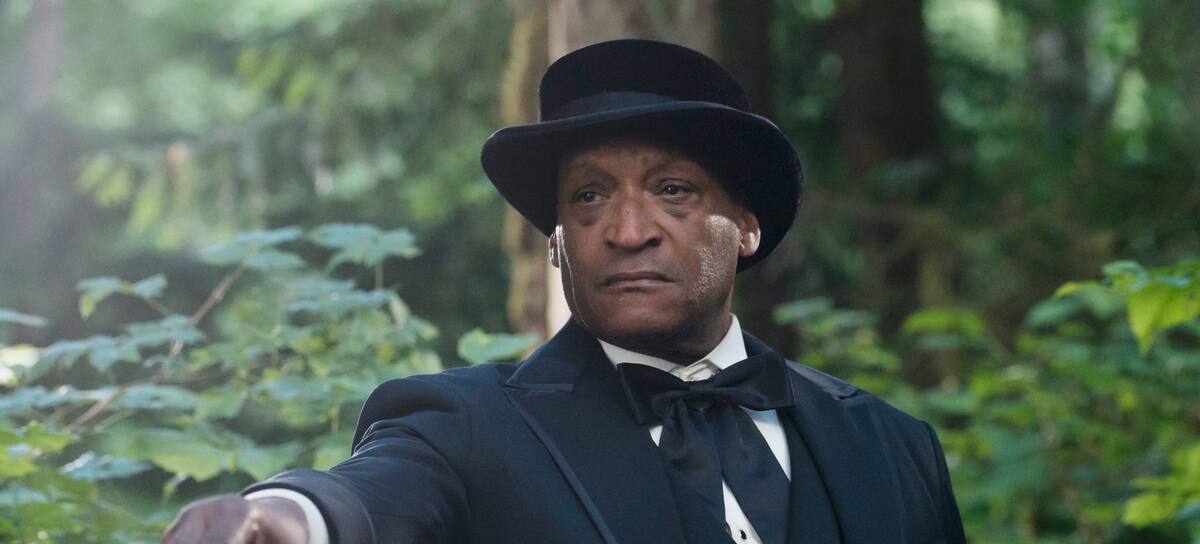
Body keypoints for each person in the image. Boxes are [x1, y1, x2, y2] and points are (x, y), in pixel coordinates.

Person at [162, 39, 965, 544]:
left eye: (674, 190)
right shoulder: (467, 427)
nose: (627, 229)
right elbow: (375, 496)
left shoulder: (895, 449)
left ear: (745, 228)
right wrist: (289, 517)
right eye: (588, 196)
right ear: (557, 242)